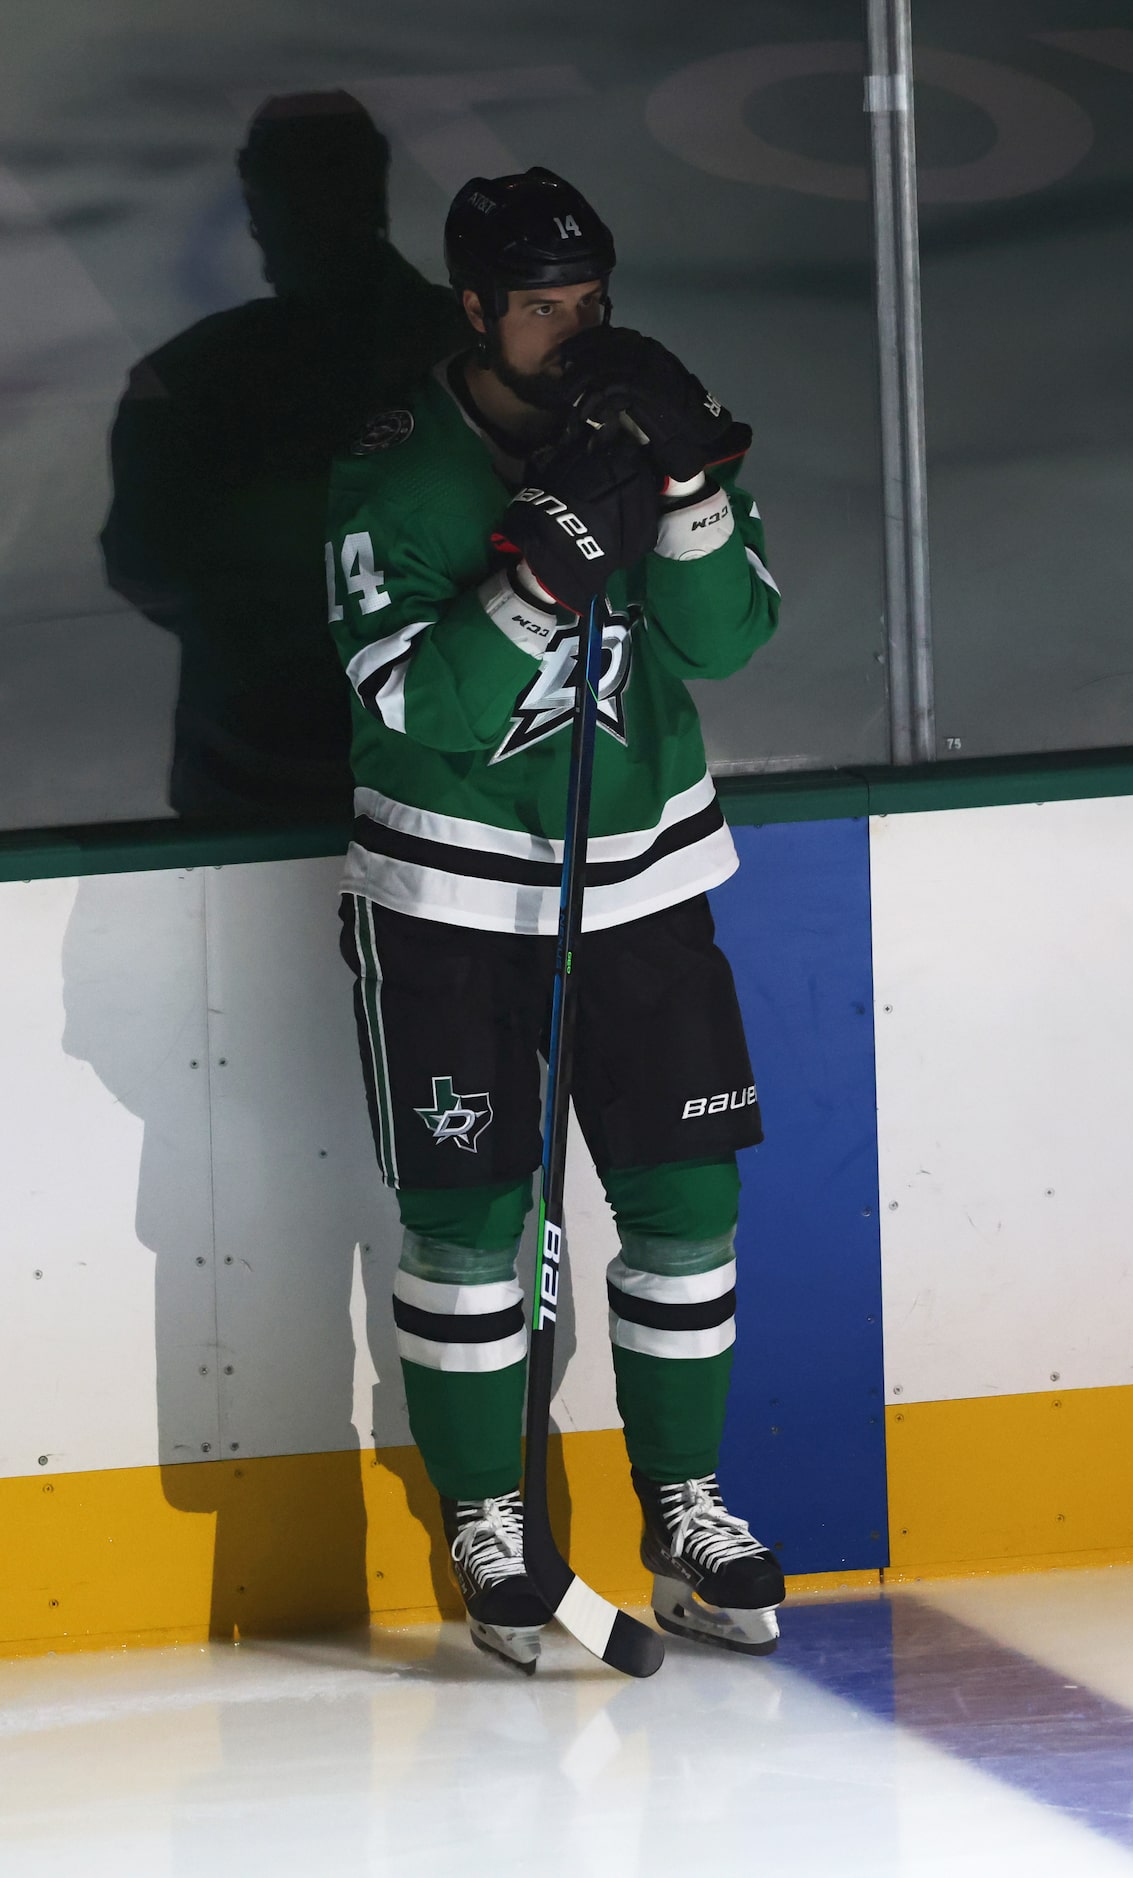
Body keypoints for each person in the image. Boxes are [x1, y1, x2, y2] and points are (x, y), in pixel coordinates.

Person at [324, 167, 785, 1670]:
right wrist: (533, 580)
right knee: (466, 1219)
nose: (576, 331)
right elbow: (417, 708)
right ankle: (485, 1514)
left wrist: (691, 487)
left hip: (644, 874)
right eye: (542, 309)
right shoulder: (394, 474)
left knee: (688, 1206)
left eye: (591, 301)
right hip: (453, 892)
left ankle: (685, 1509)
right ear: (473, 308)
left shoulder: (638, 421)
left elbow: (730, 638)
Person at [103, 91, 467, 821]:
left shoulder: (185, 377)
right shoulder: (478, 356)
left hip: (254, 773)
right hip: (451, 768)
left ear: (258, 202)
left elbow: (144, 563)